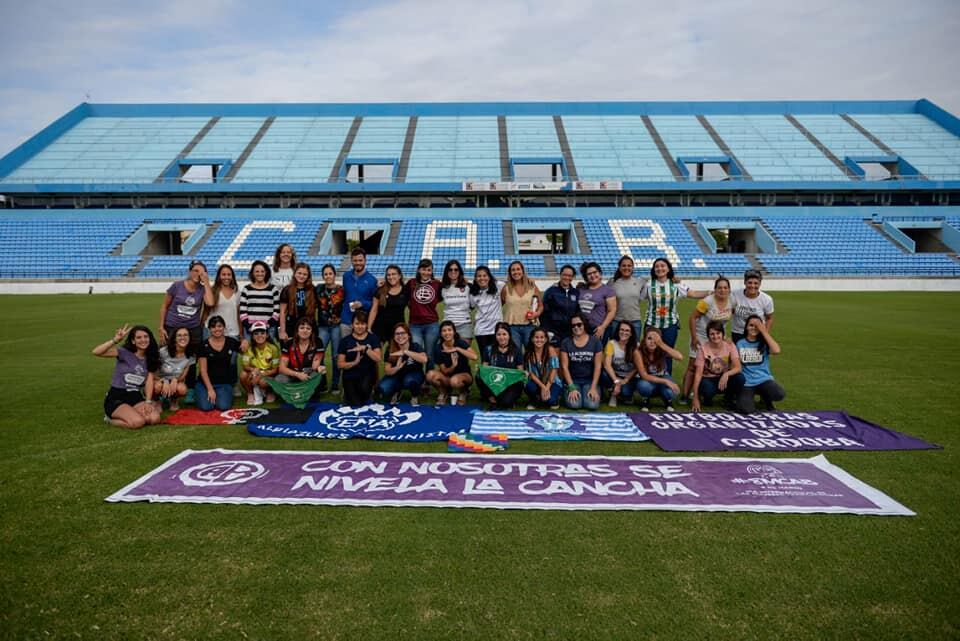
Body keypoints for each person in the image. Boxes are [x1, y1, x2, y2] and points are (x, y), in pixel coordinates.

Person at [642, 257, 709, 375]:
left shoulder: (676, 285)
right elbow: (637, 298)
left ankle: (667, 378)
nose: (660, 268)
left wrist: (710, 292)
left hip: (670, 325)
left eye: (663, 266)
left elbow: (692, 293)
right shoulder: (648, 285)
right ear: (653, 269)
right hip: (651, 325)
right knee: (650, 352)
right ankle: (649, 379)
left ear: (668, 269)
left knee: (668, 353)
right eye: (657, 266)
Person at [93, 324, 161, 429]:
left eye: (146, 337)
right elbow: (96, 352)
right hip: (117, 397)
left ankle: (131, 413)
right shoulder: (124, 353)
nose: (143, 340)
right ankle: (109, 419)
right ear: (133, 341)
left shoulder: (151, 357)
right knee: (138, 422)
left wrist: (148, 401)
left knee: (154, 419)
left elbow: (149, 381)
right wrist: (115, 340)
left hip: (135, 396)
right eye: (138, 337)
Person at [681, 275, 735, 403]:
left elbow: (729, 318)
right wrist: (694, 338)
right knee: (693, 366)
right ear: (715, 289)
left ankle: (703, 391)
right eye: (719, 288)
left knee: (713, 364)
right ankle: (685, 395)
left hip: (717, 337)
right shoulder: (707, 301)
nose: (722, 290)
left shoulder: (732, 301)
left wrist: (725, 336)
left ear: (729, 289)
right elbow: (692, 318)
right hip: (702, 335)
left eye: (725, 288)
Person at [735, 315, 785, 414]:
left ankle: (766, 398)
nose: (754, 328)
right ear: (746, 327)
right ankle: (747, 397)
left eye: (757, 326)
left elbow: (776, 350)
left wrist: (764, 331)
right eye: (751, 325)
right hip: (747, 382)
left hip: (763, 380)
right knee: (746, 409)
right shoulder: (740, 343)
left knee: (779, 394)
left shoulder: (764, 343)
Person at [691, 320, 744, 412]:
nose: (715, 336)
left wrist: (726, 374)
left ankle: (728, 398)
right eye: (712, 334)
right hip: (708, 378)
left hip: (724, 377)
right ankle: (706, 398)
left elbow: (738, 367)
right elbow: (698, 374)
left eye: (718, 333)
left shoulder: (730, 345)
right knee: (707, 388)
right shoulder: (703, 349)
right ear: (708, 336)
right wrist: (695, 398)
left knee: (740, 378)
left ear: (723, 334)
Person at [159, 260, 214, 349]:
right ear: (189, 272)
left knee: (191, 358)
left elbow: (210, 303)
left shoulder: (203, 289)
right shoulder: (177, 286)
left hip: (192, 328)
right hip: (172, 326)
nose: (198, 274)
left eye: (202, 272)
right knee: (167, 355)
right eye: (196, 271)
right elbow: (164, 306)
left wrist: (206, 282)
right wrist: (161, 327)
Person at [195, 315, 243, 411]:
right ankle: (201, 393)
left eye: (219, 326)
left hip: (224, 383)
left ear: (224, 327)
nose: (217, 329)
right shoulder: (203, 345)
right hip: (205, 384)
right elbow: (203, 371)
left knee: (223, 406)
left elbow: (245, 351)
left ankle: (221, 394)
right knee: (206, 407)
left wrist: (244, 341)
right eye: (213, 327)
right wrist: (210, 389)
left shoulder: (231, 342)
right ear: (209, 329)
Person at [426, 320, 477, 406]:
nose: (447, 333)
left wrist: (457, 349)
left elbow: (475, 357)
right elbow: (444, 371)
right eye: (444, 331)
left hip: (464, 375)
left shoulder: (460, 343)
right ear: (441, 334)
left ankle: (463, 392)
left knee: (454, 381)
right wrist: (453, 366)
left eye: (449, 330)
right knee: (430, 375)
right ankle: (443, 392)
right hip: (448, 377)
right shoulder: (438, 348)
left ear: (454, 332)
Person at [337, 309, 382, 406]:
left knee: (363, 394)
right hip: (350, 374)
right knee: (354, 402)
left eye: (362, 324)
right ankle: (346, 392)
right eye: (357, 324)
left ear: (366, 325)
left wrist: (365, 349)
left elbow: (378, 358)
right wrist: (354, 363)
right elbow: (340, 364)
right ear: (352, 325)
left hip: (367, 373)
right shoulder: (345, 341)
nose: (360, 327)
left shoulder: (373, 338)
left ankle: (370, 391)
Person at [375, 322, 427, 405]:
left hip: (413, 374)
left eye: (403, 333)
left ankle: (414, 396)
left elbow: (424, 359)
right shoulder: (390, 349)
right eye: (397, 334)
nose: (400, 336)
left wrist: (405, 351)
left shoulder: (415, 346)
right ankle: (397, 391)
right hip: (397, 375)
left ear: (409, 335)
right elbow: (387, 370)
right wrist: (397, 368)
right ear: (394, 336)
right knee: (383, 388)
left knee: (410, 381)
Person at [559, 312, 602, 410]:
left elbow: (598, 366)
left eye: (579, 324)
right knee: (575, 405)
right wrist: (571, 387)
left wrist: (593, 387)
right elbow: (564, 367)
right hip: (572, 381)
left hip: (589, 381)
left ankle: (592, 391)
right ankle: (567, 391)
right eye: (573, 325)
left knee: (592, 405)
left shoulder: (595, 342)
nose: (576, 327)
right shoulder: (566, 342)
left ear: (584, 324)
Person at [405, 258, 442, 371]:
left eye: (429, 270)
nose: (426, 272)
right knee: (416, 352)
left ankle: (429, 378)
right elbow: (405, 298)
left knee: (430, 353)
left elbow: (439, 298)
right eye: (423, 269)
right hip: (415, 325)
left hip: (432, 324)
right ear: (418, 270)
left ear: (432, 271)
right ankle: (418, 377)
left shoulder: (437, 284)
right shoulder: (411, 283)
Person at [477, 322, 524, 409]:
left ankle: (504, 400)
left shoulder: (516, 351)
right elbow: (484, 370)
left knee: (506, 402)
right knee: (479, 375)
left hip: (509, 384)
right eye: (498, 334)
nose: (501, 337)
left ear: (509, 335)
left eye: (504, 334)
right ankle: (491, 398)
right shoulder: (488, 349)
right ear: (495, 336)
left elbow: (520, 373)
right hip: (494, 382)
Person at [636, 327, 683, 412]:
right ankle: (646, 399)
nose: (652, 342)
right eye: (649, 338)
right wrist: (666, 382)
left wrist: (661, 344)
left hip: (662, 376)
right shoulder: (638, 351)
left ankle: (667, 400)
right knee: (643, 386)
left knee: (671, 392)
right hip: (648, 380)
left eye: (655, 339)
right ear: (644, 339)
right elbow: (644, 375)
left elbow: (680, 357)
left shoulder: (661, 348)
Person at [316, 263, 344, 394]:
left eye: (330, 273)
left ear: (334, 275)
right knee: (318, 354)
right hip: (322, 326)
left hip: (336, 327)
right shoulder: (318, 289)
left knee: (335, 355)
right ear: (323, 276)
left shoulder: (341, 290)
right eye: (325, 274)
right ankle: (323, 384)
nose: (328, 276)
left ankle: (335, 385)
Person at [501, 260, 542, 351]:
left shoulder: (532, 287)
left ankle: (530, 366)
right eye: (513, 270)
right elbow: (498, 306)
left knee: (532, 353)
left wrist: (536, 314)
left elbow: (540, 306)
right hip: (512, 327)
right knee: (516, 353)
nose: (516, 272)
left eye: (518, 269)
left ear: (523, 271)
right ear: (510, 273)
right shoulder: (506, 289)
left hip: (530, 326)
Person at [341, 247, 378, 342]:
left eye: (360, 260)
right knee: (346, 350)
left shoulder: (372, 280)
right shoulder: (346, 276)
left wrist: (362, 303)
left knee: (361, 351)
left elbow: (373, 303)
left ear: (365, 260)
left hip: (362, 322)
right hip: (346, 320)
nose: (358, 263)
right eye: (355, 260)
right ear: (351, 261)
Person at [240, 321, 281, 406]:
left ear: (267, 335)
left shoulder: (273, 348)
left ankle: (269, 392)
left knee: (262, 382)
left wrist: (261, 375)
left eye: (262, 333)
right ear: (252, 336)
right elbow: (245, 365)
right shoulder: (249, 348)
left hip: (268, 374)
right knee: (243, 375)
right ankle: (250, 394)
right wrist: (253, 370)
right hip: (254, 372)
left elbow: (275, 369)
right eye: (256, 333)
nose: (259, 336)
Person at [155, 326, 195, 411]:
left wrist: (175, 380)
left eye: (185, 335)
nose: (182, 338)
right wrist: (164, 381)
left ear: (189, 338)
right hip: (159, 380)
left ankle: (173, 400)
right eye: (179, 335)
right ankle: (157, 400)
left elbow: (183, 376)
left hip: (174, 381)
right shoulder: (163, 352)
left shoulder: (191, 355)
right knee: (157, 386)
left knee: (182, 389)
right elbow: (153, 374)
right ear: (174, 338)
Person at [277, 317, 326, 387]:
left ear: (312, 331)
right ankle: (293, 391)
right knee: (279, 379)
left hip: (308, 375)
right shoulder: (289, 343)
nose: (305, 330)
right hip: (292, 374)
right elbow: (281, 368)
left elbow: (314, 366)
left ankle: (303, 391)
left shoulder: (318, 342)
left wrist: (319, 368)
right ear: (297, 330)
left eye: (308, 328)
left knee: (316, 377)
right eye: (302, 328)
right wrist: (298, 374)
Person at [601, 320, 640, 408]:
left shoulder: (636, 346)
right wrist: (616, 381)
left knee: (626, 392)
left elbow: (637, 367)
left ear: (631, 334)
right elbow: (607, 365)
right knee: (604, 374)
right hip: (615, 375)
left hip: (630, 377)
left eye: (627, 331)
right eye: (621, 330)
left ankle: (625, 394)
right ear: (618, 331)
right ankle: (613, 393)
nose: (624, 332)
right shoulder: (611, 344)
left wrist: (626, 380)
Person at [730, 269, 775, 344]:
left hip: (756, 333)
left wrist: (765, 334)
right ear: (745, 282)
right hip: (738, 333)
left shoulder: (767, 299)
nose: (752, 286)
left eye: (756, 283)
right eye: (750, 283)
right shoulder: (735, 294)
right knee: (737, 355)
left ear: (760, 284)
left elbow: (769, 318)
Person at [368, 265, 408, 348]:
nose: (391, 277)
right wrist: (369, 328)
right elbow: (374, 310)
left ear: (399, 276)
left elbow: (412, 309)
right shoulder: (381, 290)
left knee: (393, 357)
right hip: (379, 328)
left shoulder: (406, 291)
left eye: (394, 274)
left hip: (397, 329)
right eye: (388, 275)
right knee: (375, 355)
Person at [541, 264, 580, 346]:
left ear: (572, 277)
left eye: (570, 276)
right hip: (554, 331)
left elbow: (577, 312)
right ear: (560, 275)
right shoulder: (551, 291)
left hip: (570, 331)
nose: (567, 278)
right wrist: (547, 330)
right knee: (555, 356)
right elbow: (544, 312)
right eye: (565, 275)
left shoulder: (576, 293)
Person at [523, 327, 562, 409]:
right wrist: (543, 387)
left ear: (546, 339)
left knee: (550, 401)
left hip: (551, 382)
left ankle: (553, 399)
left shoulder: (550, 350)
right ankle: (534, 399)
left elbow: (554, 370)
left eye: (542, 337)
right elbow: (531, 374)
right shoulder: (529, 353)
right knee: (528, 384)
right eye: (536, 337)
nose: (539, 340)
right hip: (537, 382)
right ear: (532, 339)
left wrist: (547, 387)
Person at [239, 260, 280, 338]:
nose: (260, 274)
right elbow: (242, 312)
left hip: (268, 329)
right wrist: (249, 326)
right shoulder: (246, 289)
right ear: (253, 273)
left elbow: (277, 311)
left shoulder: (273, 289)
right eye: (257, 271)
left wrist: (267, 325)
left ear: (266, 272)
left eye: (262, 271)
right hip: (250, 329)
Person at [278, 262, 318, 344]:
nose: (301, 276)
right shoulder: (287, 289)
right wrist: (282, 331)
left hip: (308, 327)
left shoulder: (312, 289)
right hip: (291, 327)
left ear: (308, 276)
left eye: (305, 274)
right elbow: (282, 312)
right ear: (295, 273)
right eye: (299, 273)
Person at [469, 265, 503, 359]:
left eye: (484, 275)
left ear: (489, 277)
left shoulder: (498, 286)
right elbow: (471, 307)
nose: (482, 278)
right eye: (479, 276)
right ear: (475, 278)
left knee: (498, 358)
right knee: (485, 358)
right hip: (481, 331)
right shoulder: (473, 293)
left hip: (497, 330)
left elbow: (513, 283)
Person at [609, 255, 647, 340]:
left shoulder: (640, 281)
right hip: (617, 321)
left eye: (629, 266)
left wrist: (672, 278)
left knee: (634, 349)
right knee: (615, 348)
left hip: (635, 321)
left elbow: (654, 282)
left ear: (633, 268)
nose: (626, 268)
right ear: (619, 267)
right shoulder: (612, 282)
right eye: (624, 265)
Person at [577, 261, 617, 342]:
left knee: (598, 353)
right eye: (589, 274)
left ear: (600, 273)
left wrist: (602, 327)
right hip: (582, 329)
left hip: (598, 329)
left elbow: (612, 311)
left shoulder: (608, 290)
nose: (592, 275)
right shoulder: (581, 289)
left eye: (595, 272)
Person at [440, 259, 473, 342]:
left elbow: (473, 305)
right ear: (447, 271)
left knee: (464, 353)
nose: (453, 271)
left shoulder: (468, 286)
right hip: (448, 326)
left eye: (456, 269)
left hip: (464, 324)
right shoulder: (442, 287)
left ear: (460, 271)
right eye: (450, 269)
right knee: (449, 353)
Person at [208, 264, 242, 340]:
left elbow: (238, 315)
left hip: (232, 333)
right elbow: (206, 312)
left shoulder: (237, 292)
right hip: (215, 332)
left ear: (232, 276)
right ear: (219, 276)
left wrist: (241, 334)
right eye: (223, 274)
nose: (226, 277)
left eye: (229, 274)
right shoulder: (212, 291)